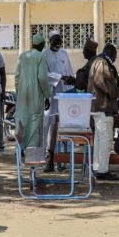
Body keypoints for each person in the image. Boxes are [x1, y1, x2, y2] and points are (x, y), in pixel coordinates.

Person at [88, 43, 119, 181]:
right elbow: (103, 83)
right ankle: (102, 170)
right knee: (105, 140)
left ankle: (98, 168)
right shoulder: (102, 63)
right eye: (115, 55)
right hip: (103, 107)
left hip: (97, 108)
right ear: (111, 53)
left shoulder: (97, 62)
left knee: (99, 140)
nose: (115, 58)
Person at [42, 30, 75, 172]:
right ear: (50, 42)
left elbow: (70, 71)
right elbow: (44, 74)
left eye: (59, 43)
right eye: (54, 43)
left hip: (64, 94)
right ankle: (46, 157)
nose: (57, 46)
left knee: (62, 126)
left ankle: (62, 159)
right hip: (50, 94)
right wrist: (60, 77)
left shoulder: (64, 54)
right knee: (47, 126)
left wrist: (70, 81)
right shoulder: (44, 54)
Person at [15, 33, 51, 150]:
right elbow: (42, 78)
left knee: (22, 121)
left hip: (22, 95)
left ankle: (20, 149)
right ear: (41, 45)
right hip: (35, 95)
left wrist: (19, 92)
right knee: (35, 123)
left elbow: (16, 76)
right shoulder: (40, 56)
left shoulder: (22, 56)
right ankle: (32, 152)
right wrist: (47, 95)